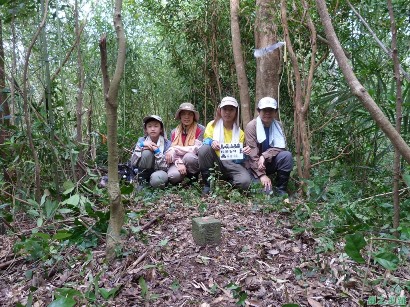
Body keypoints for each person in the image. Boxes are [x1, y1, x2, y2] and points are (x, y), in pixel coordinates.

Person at [198, 96, 251, 195]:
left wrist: (243, 153)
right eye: (225, 109)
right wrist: (212, 142)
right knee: (204, 149)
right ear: (220, 110)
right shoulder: (212, 125)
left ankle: (228, 183)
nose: (228, 112)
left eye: (231, 110)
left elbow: (238, 160)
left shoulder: (240, 133)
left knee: (245, 183)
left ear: (236, 112)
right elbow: (205, 141)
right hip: (216, 161)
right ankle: (207, 184)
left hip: (232, 164)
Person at [244, 97, 293, 195]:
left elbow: (281, 147)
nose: (267, 113)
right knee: (267, 193)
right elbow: (252, 154)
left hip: (268, 162)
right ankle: (260, 181)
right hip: (254, 165)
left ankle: (281, 189)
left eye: (271, 110)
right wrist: (262, 175)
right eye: (264, 110)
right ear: (259, 111)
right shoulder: (251, 126)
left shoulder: (278, 126)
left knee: (286, 156)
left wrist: (264, 155)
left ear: (275, 112)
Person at [165, 102, 205, 184]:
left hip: (194, 160)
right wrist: (179, 162)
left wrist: (174, 149)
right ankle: (181, 177)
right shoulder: (174, 132)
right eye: (183, 114)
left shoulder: (200, 129)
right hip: (178, 161)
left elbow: (196, 149)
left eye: (190, 114)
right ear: (180, 116)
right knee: (173, 176)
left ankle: (193, 179)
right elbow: (172, 153)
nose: (187, 117)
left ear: (193, 116)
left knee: (188, 157)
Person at [130, 115, 171, 188]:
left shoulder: (167, 143)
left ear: (161, 129)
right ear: (146, 129)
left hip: (159, 171)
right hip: (144, 171)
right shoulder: (141, 140)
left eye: (156, 126)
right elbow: (133, 162)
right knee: (147, 152)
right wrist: (141, 145)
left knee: (158, 180)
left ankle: (152, 183)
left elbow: (165, 167)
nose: (152, 129)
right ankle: (142, 181)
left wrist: (157, 151)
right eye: (149, 126)